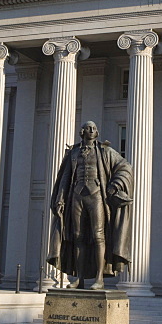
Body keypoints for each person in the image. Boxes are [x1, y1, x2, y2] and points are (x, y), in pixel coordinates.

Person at [48, 120, 133, 289]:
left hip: (96, 196)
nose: (93, 130)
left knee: (98, 235)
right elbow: (65, 177)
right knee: (77, 236)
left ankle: (99, 278)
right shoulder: (73, 153)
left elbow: (125, 166)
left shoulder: (105, 151)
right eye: (89, 128)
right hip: (77, 196)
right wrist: (60, 197)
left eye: (95, 128)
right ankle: (79, 279)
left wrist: (114, 185)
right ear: (83, 132)